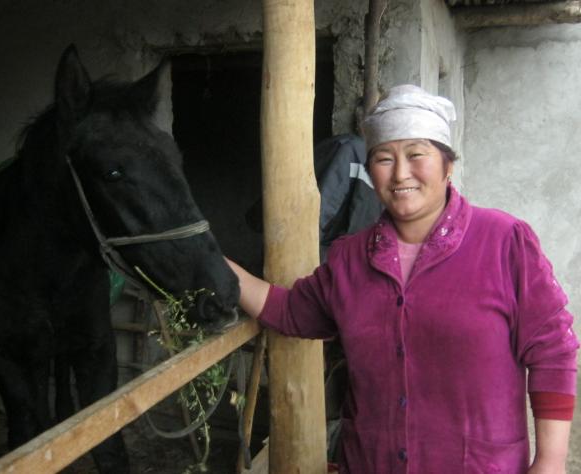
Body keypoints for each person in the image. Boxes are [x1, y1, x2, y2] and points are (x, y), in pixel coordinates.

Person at [226, 84, 579, 473]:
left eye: (416, 154)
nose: (400, 173)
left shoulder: (504, 241)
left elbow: (552, 350)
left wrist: (550, 461)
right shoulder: (350, 258)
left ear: (447, 165)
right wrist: (213, 264)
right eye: (383, 158)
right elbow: (291, 310)